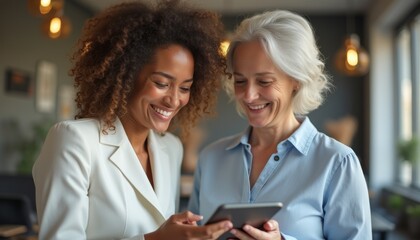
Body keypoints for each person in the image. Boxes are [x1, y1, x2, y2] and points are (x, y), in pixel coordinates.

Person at [32, 1, 233, 239]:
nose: (174, 100)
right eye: (161, 83)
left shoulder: (171, 148)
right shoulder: (75, 140)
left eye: (185, 88)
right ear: (125, 76)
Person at [188, 10, 372, 240]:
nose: (248, 95)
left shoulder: (337, 163)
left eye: (264, 81)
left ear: (296, 81)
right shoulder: (210, 159)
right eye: (240, 81)